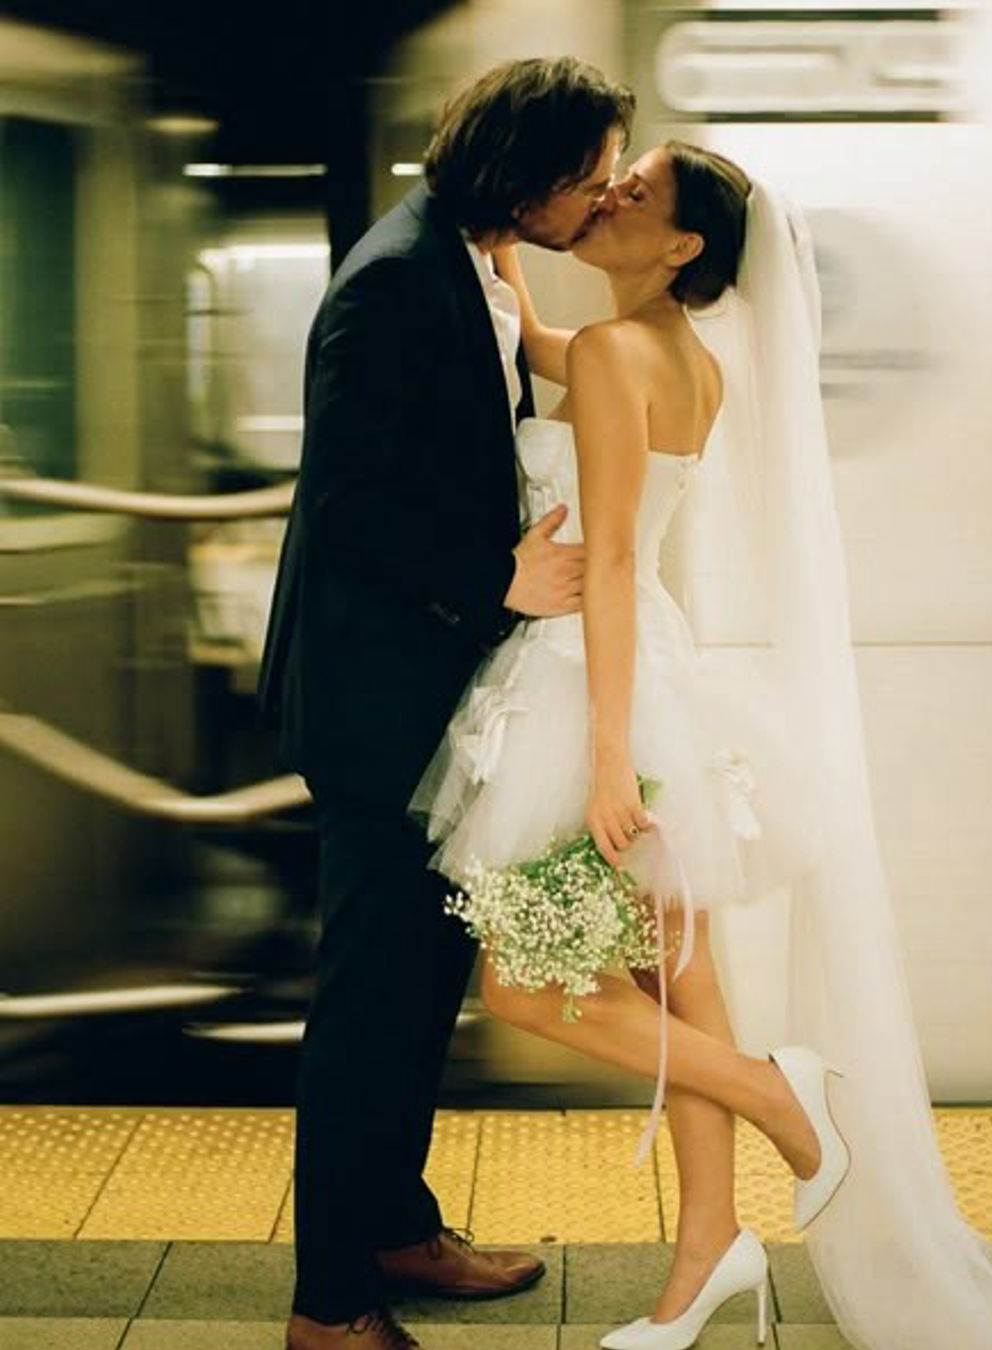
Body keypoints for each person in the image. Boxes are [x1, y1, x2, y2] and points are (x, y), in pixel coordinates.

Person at [408, 140, 992, 1350]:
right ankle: (709, 1253)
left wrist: (605, 760)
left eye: (637, 191)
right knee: (684, 978)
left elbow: (615, 556)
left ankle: (782, 1094)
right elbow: (543, 357)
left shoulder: (615, 354)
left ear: (681, 246)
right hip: (659, 679)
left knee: (527, 989)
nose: (610, 194)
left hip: (596, 686)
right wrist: (502, 257)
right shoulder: (679, 359)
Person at [257, 57, 635, 1350]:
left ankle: (395, 1227)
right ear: (524, 176)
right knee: (370, 1000)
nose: (598, 201)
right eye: (588, 180)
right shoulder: (394, 284)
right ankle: (329, 1302)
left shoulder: (472, 258)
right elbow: (347, 505)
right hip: (376, 707)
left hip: (430, 694)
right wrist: (499, 578)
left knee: (422, 989)